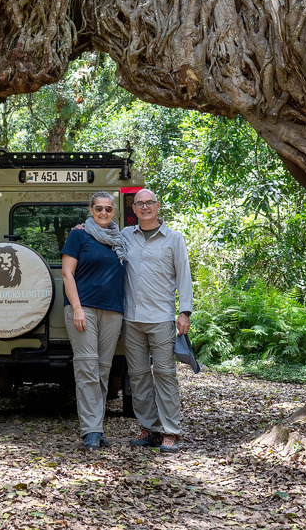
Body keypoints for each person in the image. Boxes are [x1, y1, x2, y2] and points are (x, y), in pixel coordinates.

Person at [122, 189, 192, 454]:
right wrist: (83, 226)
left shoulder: (174, 239)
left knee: (165, 375)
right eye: (140, 204)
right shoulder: (126, 235)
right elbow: (101, 235)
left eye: (149, 203)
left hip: (161, 318)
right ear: (134, 209)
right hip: (131, 318)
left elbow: (184, 275)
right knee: (138, 377)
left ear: (158, 206)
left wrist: (185, 311)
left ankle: (170, 431)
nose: (145, 207)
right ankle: (149, 429)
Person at [61, 191, 127, 450]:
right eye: (98, 208)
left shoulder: (120, 239)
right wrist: (76, 308)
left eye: (108, 209)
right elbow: (67, 274)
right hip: (83, 309)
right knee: (87, 368)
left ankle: (97, 429)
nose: (103, 213)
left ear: (114, 212)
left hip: (113, 311)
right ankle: (90, 431)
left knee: (102, 370)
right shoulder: (78, 235)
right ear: (90, 210)